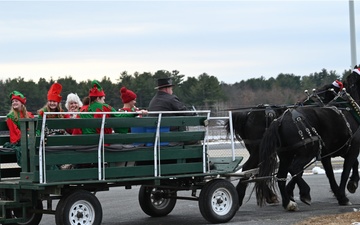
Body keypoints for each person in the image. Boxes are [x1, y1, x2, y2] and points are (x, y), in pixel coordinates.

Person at [4, 91, 34, 166]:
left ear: (21, 103)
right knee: (30, 146)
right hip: (19, 141)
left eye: (16, 101)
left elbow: (33, 128)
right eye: (13, 101)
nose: (14, 103)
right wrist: (26, 136)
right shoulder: (10, 117)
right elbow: (15, 132)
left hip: (29, 138)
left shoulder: (29, 115)